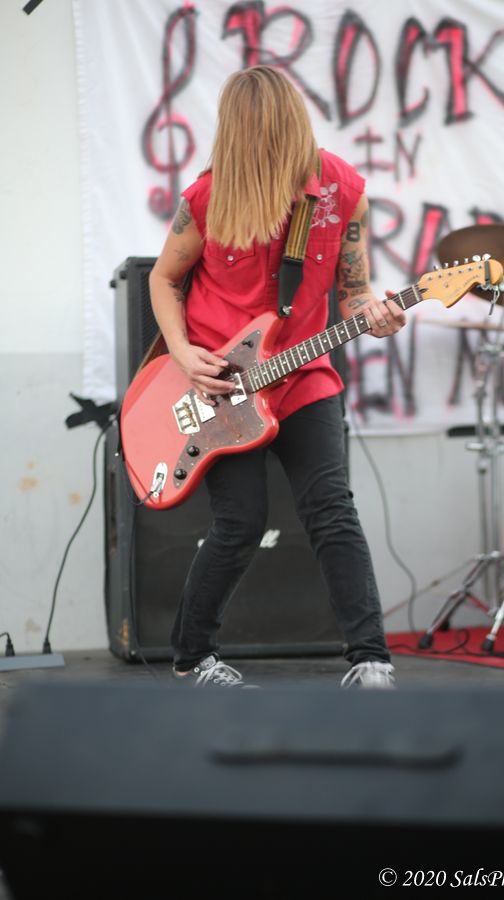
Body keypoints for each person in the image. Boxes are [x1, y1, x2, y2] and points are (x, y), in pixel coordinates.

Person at [149, 65, 406, 689]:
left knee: (331, 507)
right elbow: (163, 278)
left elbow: (354, 291)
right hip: (220, 385)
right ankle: (192, 656)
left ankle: (370, 658)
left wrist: (374, 314)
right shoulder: (207, 197)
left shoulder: (342, 189)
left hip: (303, 370)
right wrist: (182, 353)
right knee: (240, 522)